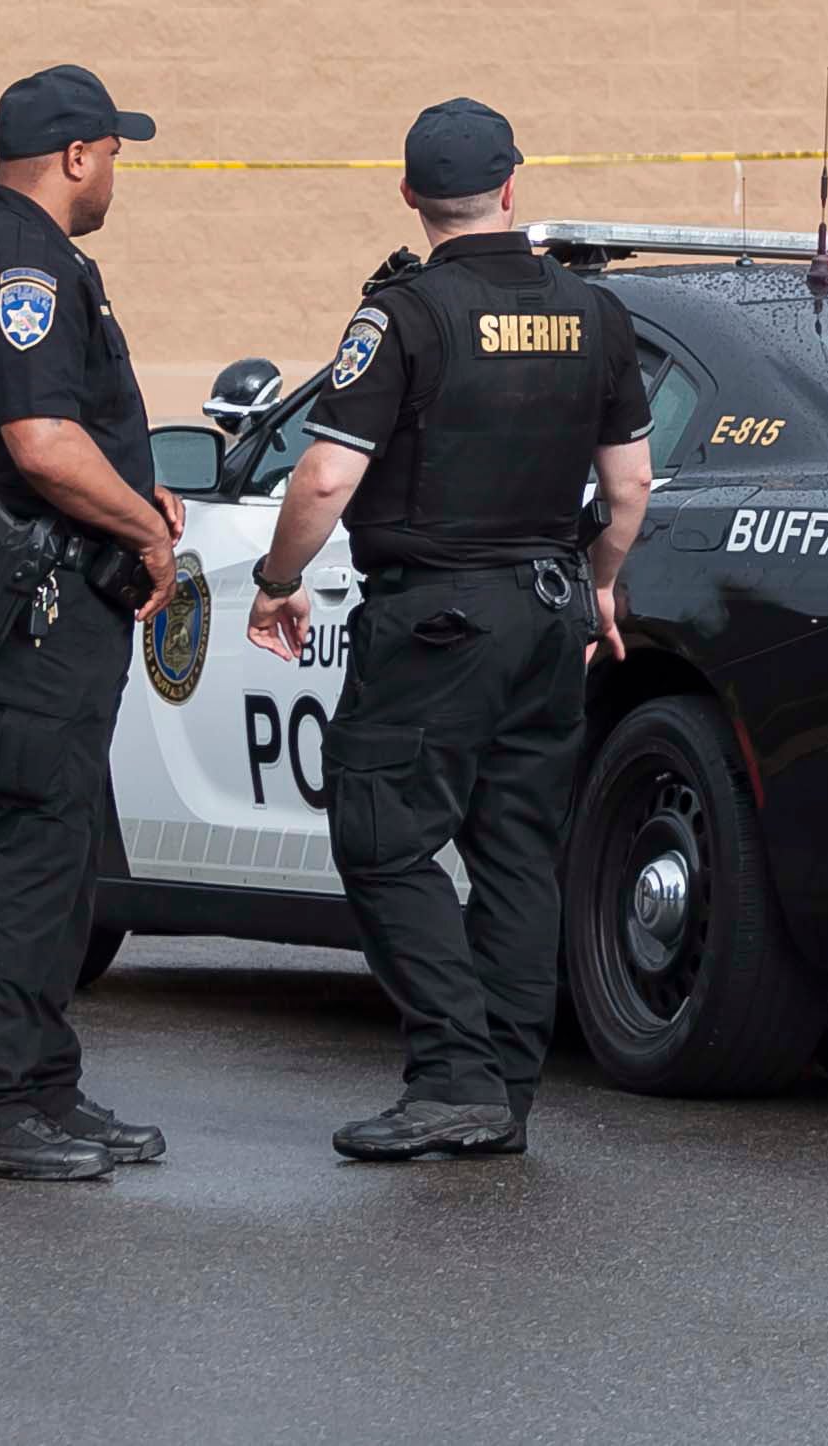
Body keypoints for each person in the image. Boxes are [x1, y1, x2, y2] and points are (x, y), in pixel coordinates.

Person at [242, 99, 651, 1162]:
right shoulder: (595, 314)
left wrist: (278, 578)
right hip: (550, 611)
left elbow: (326, 473)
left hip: (436, 617)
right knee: (517, 849)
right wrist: (600, 583)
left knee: (382, 835)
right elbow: (631, 485)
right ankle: (505, 1088)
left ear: (412, 197)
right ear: (514, 185)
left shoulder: (405, 317)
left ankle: (453, 1077)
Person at [0, 62, 184, 1181]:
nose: (116, 172)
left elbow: (70, 438)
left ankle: (39, 1086)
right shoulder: (22, 262)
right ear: (75, 155)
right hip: (32, 595)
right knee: (29, 836)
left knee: (60, 836)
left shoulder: (15, 252)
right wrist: (149, 531)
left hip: (48, 586)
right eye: (113, 152)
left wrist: (135, 491)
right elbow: (40, 444)